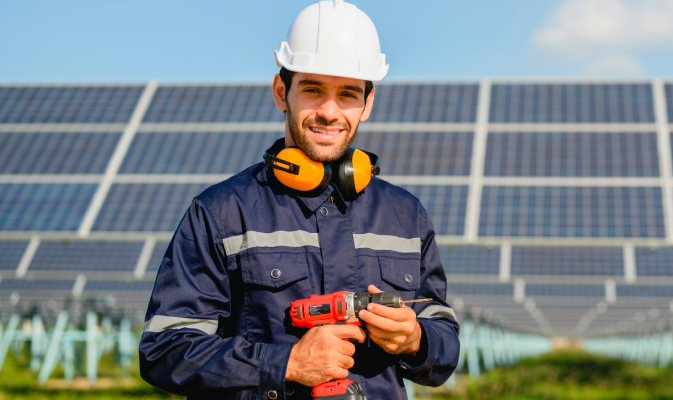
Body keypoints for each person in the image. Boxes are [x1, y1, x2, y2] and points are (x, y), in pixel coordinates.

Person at [139, 1, 459, 399]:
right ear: (280, 92)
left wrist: (416, 339)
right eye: (312, 89)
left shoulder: (406, 216)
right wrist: (286, 364)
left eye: (347, 94)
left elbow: (444, 342)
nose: (329, 111)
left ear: (368, 103)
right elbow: (165, 349)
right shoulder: (221, 212)